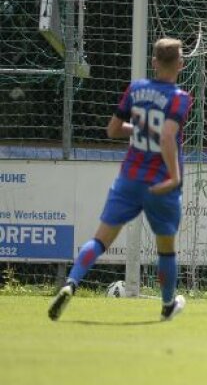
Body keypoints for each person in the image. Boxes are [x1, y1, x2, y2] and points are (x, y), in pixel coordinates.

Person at [48, 38, 193, 322]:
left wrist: (139, 129)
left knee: (100, 240)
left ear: (153, 62)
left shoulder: (137, 88)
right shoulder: (180, 98)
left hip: (129, 178)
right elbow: (166, 135)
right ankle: (166, 306)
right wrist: (174, 175)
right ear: (180, 64)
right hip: (159, 183)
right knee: (166, 249)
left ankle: (71, 283)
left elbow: (113, 130)